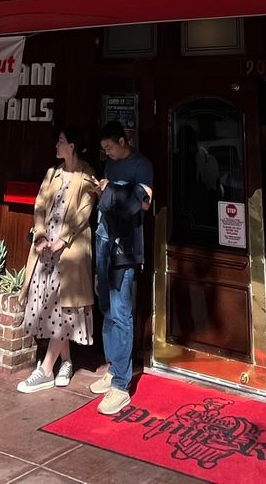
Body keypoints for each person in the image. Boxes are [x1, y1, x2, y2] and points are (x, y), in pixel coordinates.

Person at [16, 127, 97, 394]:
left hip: (69, 251)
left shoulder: (87, 176)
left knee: (64, 308)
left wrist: (62, 240)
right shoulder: (53, 173)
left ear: (72, 146)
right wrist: (40, 235)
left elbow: (84, 212)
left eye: (61, 141)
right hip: (45, 249)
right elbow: (40, 205)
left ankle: (46, 370)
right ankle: (67, 362)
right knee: (52, 307)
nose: (57, 145)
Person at [90, 120, 153, 416]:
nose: (108, 154)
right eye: (103, 150)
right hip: (103, 240)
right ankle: (112, 366)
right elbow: (107, 200)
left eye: (110, 147)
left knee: (122, 312)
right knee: (106, 308)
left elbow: (144, 203)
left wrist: (111, 190)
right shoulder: (111, 167)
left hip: (125, 248)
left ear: (122, 141)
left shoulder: (141, 165)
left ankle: (121, 384)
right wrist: (101, 191)